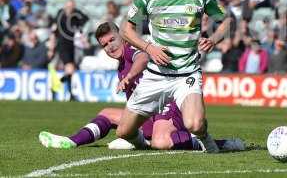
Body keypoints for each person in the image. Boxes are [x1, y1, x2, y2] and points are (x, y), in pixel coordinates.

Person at [39, 22, 244, 152]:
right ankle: (71, 141)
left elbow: (143, 58)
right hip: (151, 113)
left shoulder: (132, 50)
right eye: (104, 45)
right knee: (107, 114)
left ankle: (219, 143)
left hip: (170, 104)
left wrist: (129, 76)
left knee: (161, 142)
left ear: (122, 37)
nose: (110, 46)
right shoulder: (120, 65)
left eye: (112, 40)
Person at [118, 0, 232, 153]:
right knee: (124, 132)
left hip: (186, 75)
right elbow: (126, 30)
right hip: (155, 75)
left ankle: (204, 139)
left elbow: (225, 21)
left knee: (194, 125)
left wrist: (214, 39)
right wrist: (148, 48)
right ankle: (143, 144)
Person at [55, 0, 89, 101]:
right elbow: (55, 28)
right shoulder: (60, 14)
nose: (70, 8)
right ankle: (63, 80)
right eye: (68, 6)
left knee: (71, 70)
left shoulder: (76, 15)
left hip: (72, 46)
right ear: (65, 6)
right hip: (62, 45)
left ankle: (70, 92)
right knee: (70, 66)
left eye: (72, 7)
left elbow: (85, 19)